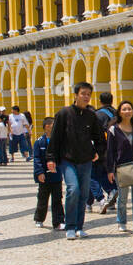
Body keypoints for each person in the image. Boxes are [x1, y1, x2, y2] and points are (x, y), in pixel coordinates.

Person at [46, 82, 106, 239]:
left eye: (88, 94)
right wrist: (51, 158)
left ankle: (79, 226)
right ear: (75, 95)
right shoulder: (64, 114)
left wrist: (98, 152)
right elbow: (55, 138)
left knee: (84, 193)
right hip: (68, 159)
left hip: (86, 160)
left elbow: (99, 137)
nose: (86, 97)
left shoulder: (91, 116)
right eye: (83, 93)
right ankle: (70, 226)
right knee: (73, 189)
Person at [106, 100, 133, 234]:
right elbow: (110, 151)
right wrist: (110, 170)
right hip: (121, 167)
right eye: (124, 109)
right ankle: (121, 221)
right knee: (122, 197)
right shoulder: (113, 129)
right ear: (119, 112)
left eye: (129, 109)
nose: (127, 111)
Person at [32, 117, 64, 230]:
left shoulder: (59, 141)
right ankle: (39, 218)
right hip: (44, 176)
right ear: (47, 127)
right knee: (42, 198)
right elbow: (36, 159)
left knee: (57, 199)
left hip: (56, 175)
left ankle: (58, 221)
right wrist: (39, 172)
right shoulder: (39, 142)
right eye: (53, 125)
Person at [91, 91, 118, 214]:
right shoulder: (118, 113)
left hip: (102, 148)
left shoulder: (98, 115)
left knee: (95, 174)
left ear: (100, 101)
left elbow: (95, 132)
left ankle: (106, 194)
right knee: (109, 171)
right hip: (117, 148)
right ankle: (112, 192)